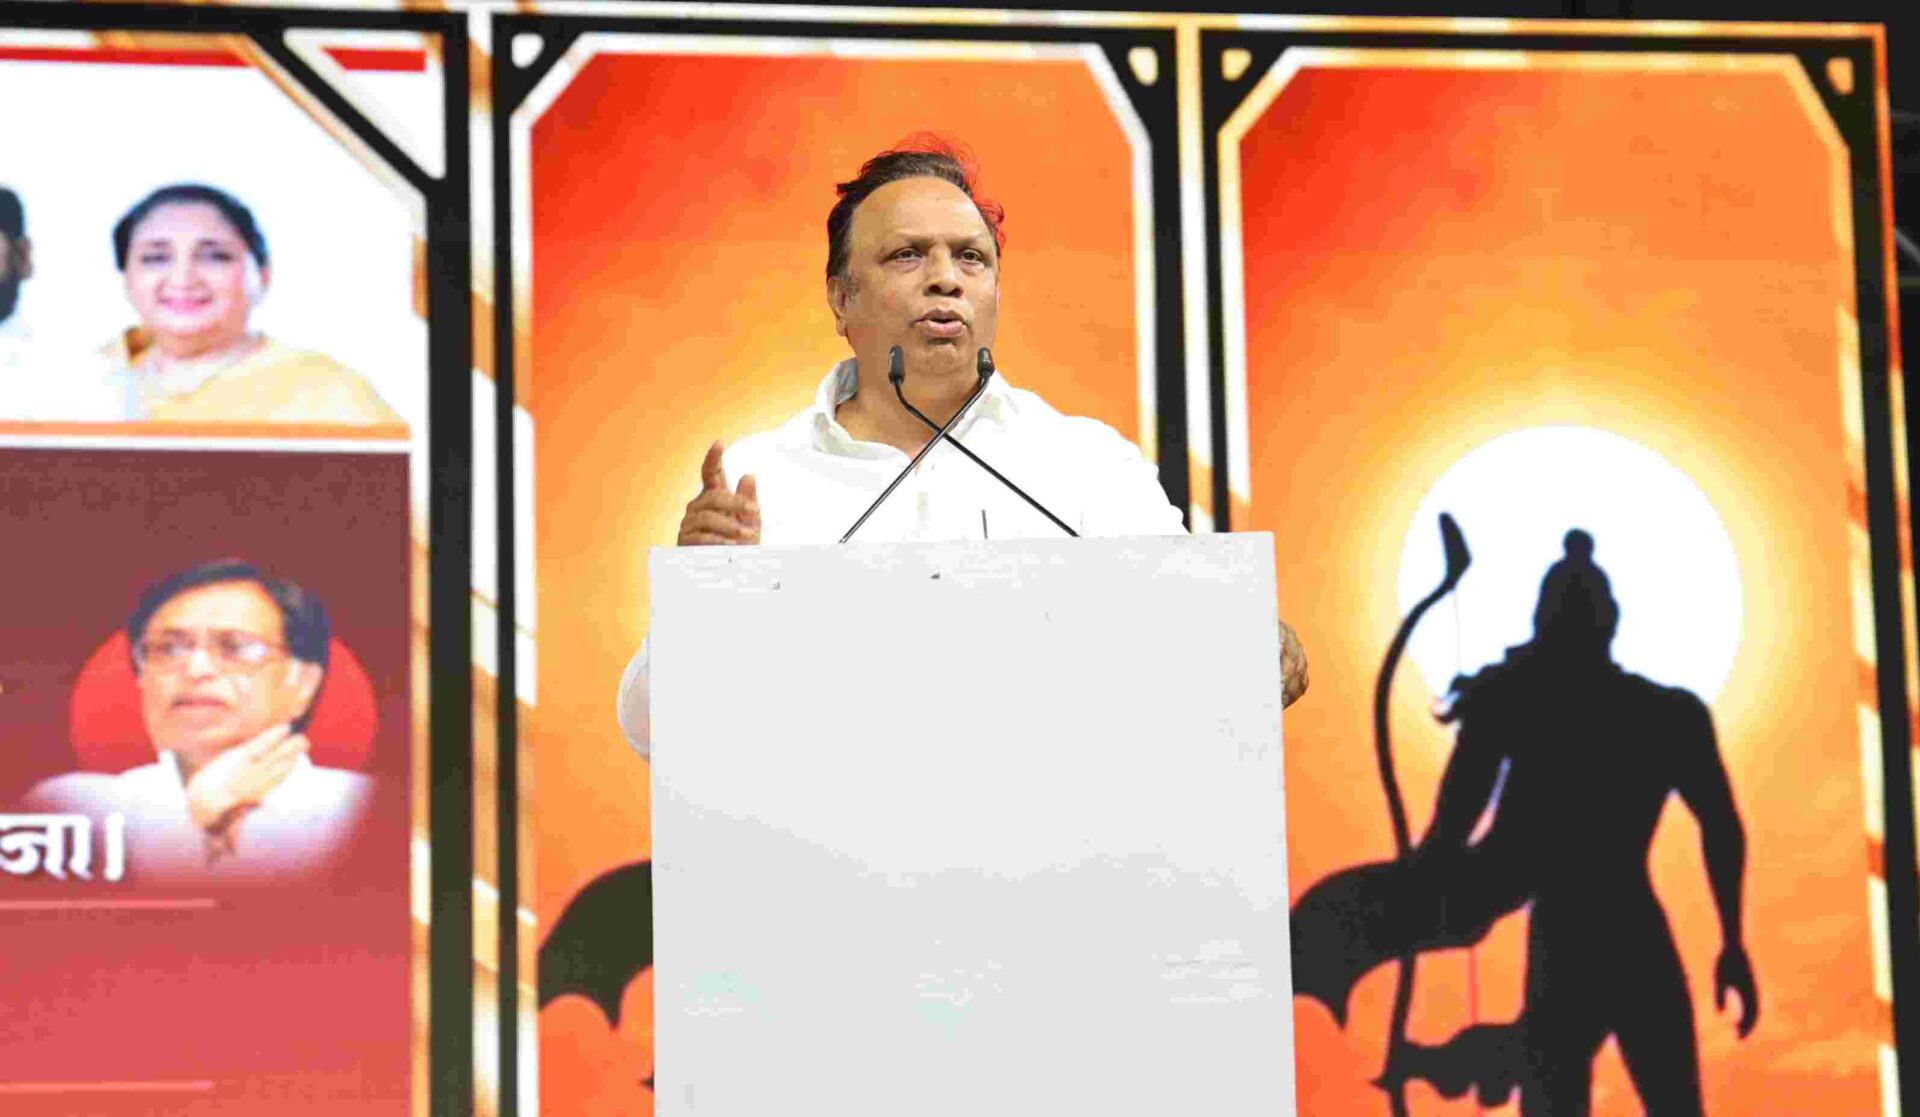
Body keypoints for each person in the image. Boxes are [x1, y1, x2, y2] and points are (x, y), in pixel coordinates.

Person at [616, 139, 1309, 759]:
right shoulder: (759, 480)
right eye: (907, 254)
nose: (945, 278)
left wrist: (1244, 645)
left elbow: (1194, 640)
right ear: (841, 298)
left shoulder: (1088, 467)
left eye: (970, 257)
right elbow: (656, 732)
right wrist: (698, 599)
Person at [1290, 530, 1756, 1116]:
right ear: (1610, 621)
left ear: (1544, 623)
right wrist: (1731, 943)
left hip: (1580, 940)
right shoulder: (1647, 712)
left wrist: (1734, 943)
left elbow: (1722, 826)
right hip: (1621, 935)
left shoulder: (1557, 702)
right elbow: (1721, 826)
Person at [27, 560, 375, 880]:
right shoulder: (77, 805)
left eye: (237, 647)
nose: (196, 670)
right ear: (142, 677)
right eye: (169, 649)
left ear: (303, 683)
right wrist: (197, 819)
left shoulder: (363, 810)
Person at [91, 183, 402, 425]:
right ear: (126, 276)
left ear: (262, 275)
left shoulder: (329, 393)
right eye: (155, 258)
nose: (183, 278)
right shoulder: (86, 379)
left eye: (214, 256)